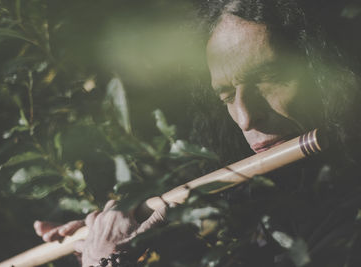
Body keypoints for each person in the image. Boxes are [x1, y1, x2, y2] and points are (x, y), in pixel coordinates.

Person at [35, 0, 361, 266]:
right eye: (226, 95)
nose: (245, 117)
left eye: (269, 76)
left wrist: (103, 262)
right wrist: (121, 235)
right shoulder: (272, 200)